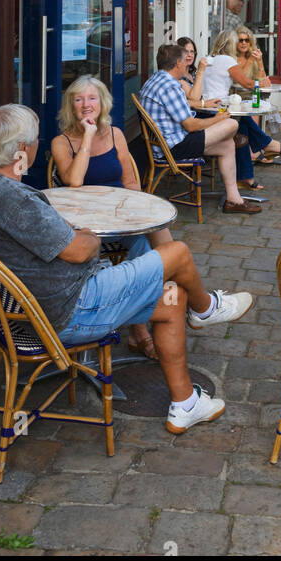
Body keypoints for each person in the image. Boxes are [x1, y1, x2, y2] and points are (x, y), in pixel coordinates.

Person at [0, 105, 253, 435]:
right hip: (72, 309)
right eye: (34, 140)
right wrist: (84, 234)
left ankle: (185, 405)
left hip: (34, 308)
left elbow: (38, 238)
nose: (36, 145)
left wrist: (63, 230)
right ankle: (207, 309)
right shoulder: (13, 199)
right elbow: (81, 251)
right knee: (178, 253)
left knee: (173, 298)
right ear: (21, 150)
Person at [50, 75, 170, 360]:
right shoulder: (62, 141)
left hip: (120, 217)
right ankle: (142, 330)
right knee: (149, 251)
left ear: (102, 102)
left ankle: (161, 311)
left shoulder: (116, 134)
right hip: (86, 226)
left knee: (150, 245)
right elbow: (74, 181)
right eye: (78, 99)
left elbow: (131, 183)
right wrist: (89, 137)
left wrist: (133, 214)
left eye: (92, 98)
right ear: (71, 106)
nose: (86, 105)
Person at [140, 44, 261, 215]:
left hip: (168, 141)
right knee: (232, 124)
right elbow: (190, 125)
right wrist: (218, 118)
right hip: (174, 146)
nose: (186, 64)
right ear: (177, 64)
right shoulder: (170, 86)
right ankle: (234, 137)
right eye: (184, 61)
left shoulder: (156, 80)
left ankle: (234, 200)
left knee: (227, 146)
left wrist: (207, 108)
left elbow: (185, 110)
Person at [204, 29, 281, 165]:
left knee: (253, 109)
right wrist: (251, 61)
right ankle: (258, 149)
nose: (244, 43)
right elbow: (241, 80)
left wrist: (260, 62)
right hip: (235, 96)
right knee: (250, 113)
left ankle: (258, 151)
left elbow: (264, 81)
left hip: (248, 96)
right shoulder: (231, 59)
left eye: (247, 40)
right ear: (233, 43)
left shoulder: (223, 59)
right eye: (240, 40)